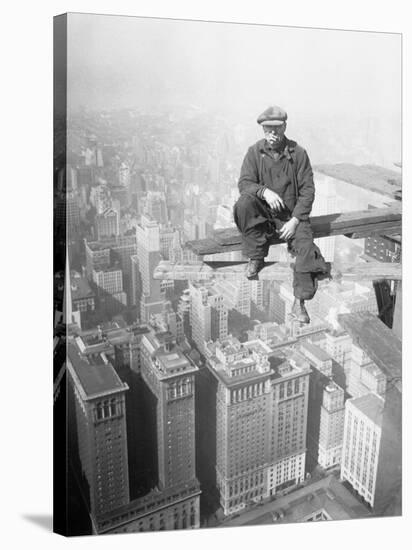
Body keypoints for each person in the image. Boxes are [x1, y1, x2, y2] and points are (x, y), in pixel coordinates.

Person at [233, 105, 329, 324]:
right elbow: (244, 183)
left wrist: (295, 221)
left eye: (276, 128)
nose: (272, 134)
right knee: (244, 203)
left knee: (305, 247)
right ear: (262, 129)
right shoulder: (255, 152)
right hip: (265, 215)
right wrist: (264, 191)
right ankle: (256, 257)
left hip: (291, 215)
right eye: (267, 129)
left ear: (285, 126)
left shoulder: (299, 154)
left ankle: (299, 302)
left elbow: (308, 191)